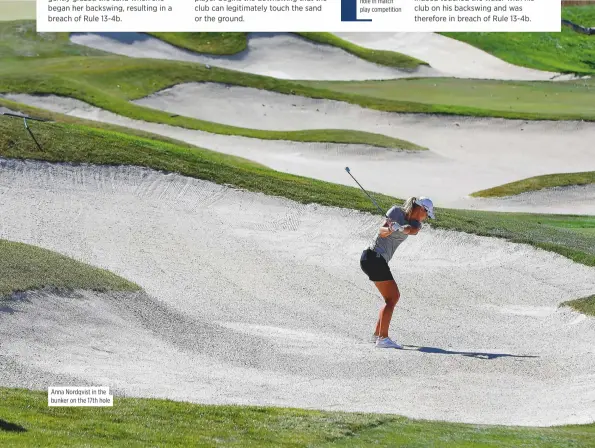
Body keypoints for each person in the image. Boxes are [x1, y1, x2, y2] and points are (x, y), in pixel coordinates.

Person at [360, 196, 435, 349]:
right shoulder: (395, 211)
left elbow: (412, 231)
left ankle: (377, 334)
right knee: (393, 297)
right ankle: (383, 338)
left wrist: (400, 228)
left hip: (377, 260)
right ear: (422, 209)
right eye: (427, 214)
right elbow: (381, 232)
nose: (426, 218)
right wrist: (390, 228)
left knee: (390, 298)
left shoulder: (417, 223)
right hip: (373, 257)